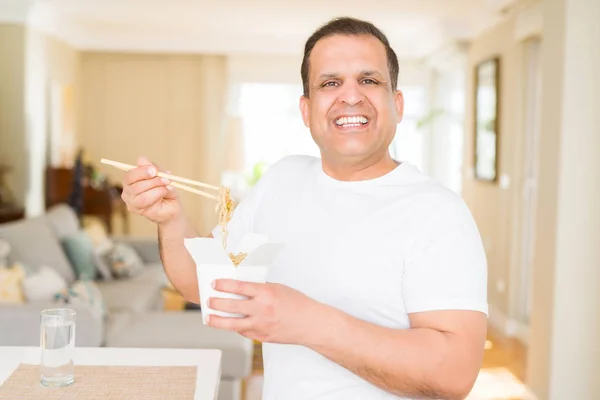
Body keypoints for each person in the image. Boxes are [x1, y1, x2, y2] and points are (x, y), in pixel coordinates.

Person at [121, 16, 488, 400]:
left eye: (369, 80)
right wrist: (170, 218)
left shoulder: (438, 213)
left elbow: (454, 374)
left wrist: (308, 323)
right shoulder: (281, 180)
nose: (350, 96)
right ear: (306, 110)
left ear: (396, 104)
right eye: (330, 83)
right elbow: (202, 284)